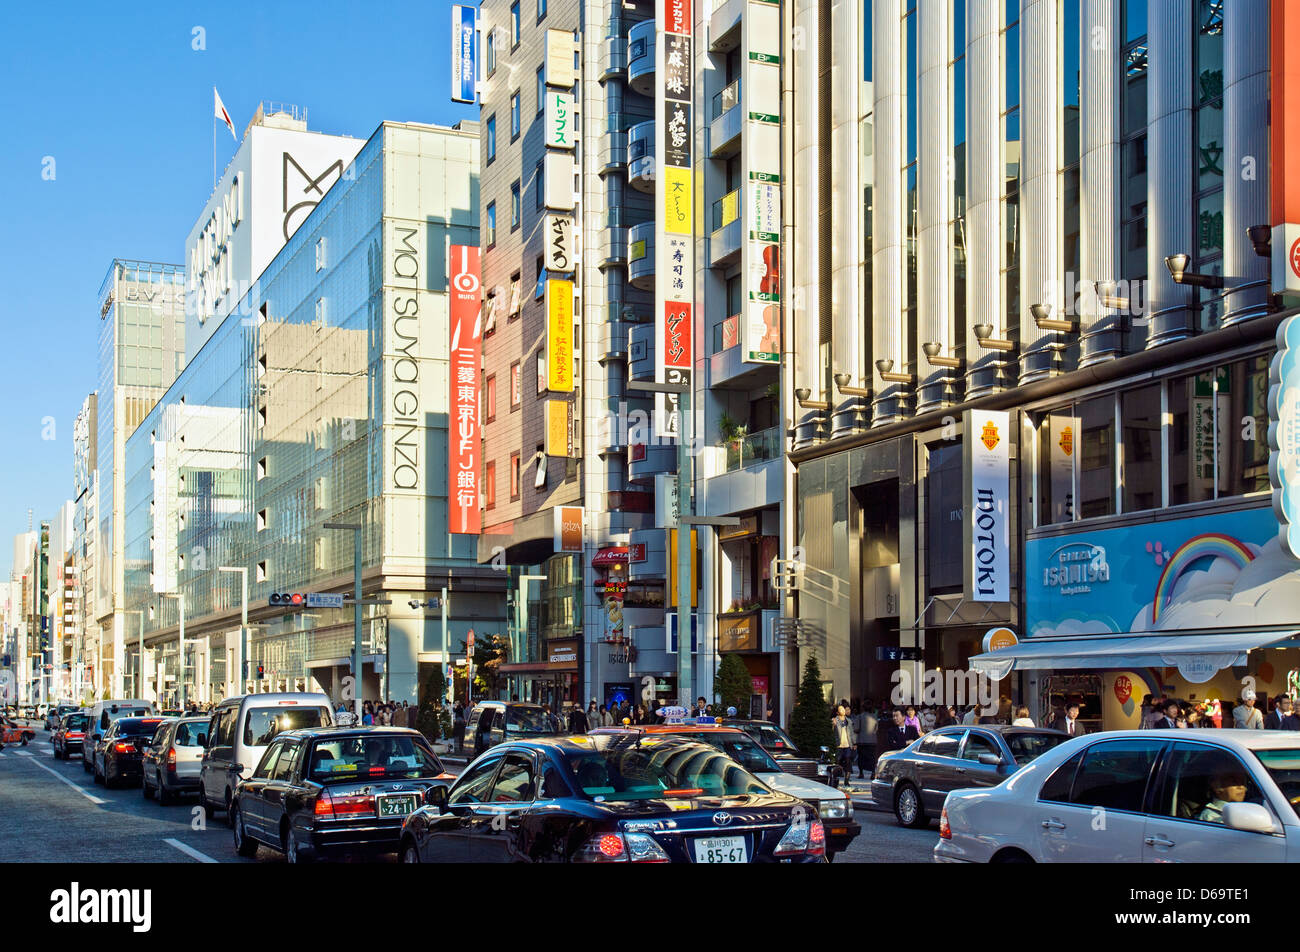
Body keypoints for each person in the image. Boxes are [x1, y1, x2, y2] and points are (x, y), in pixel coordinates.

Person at [831, 703, 856, 788]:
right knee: (837, 762)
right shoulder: (835, 720)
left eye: (843, 709)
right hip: (839, 745)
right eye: (841, 709)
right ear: (837, 712)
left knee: (848, 762)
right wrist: (833, 725)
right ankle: (835, 780)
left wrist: (854, 743)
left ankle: (846, 781)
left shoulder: (848, 721)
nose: (843, 711)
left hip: (847, 744)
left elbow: (852, 733)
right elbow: (831, 732)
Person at [854, 705, 878, 778]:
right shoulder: (874, 716)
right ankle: (873, 773)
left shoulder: (859, 716)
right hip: (872, 740)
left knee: (861, 757)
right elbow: (876, 728)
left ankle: (861, 773)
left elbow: (856, 728)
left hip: (862, 740)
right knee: (872, 757)